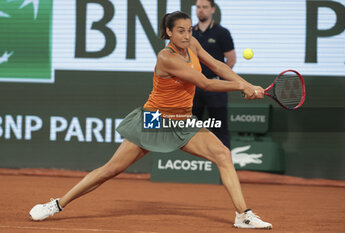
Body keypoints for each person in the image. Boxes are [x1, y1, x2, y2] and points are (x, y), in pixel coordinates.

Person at [29, 11, 272, 229]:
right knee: (109, 170)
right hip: (155, 119)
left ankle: (243, 215)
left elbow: (218, 66)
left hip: (183, 120)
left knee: (222, 153)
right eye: (180, 31)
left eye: (189, 30)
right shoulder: (166, 58)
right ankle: (58, 204)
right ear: (168, 32)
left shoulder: (193, 44)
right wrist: (241, 85)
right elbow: (205, 83)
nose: (187, 35)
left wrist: (248, 85)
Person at [192, 0, 236, 150]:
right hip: (194, 87)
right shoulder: (190, 33)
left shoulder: (222, 33)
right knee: (190, 126)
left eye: (204, 7)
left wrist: (218, 77)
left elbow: (231, 60)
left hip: (216, 88)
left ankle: (224, 168)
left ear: (212, 10)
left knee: (219, 127)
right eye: (198, 7)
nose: (201, 10)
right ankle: (192, 164)